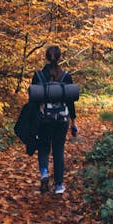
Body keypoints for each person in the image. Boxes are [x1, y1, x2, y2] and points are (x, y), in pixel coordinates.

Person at [32, 45, 77, 195]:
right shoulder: (66, 76)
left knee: (44, 148)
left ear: (46, 57)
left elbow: (33, 101)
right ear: (60, 58)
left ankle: (44, 173)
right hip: (61, 120)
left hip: (44, 119)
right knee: (58, 150)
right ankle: (58, 185)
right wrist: (73, 122)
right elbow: (71, 102)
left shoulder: (38, 76)